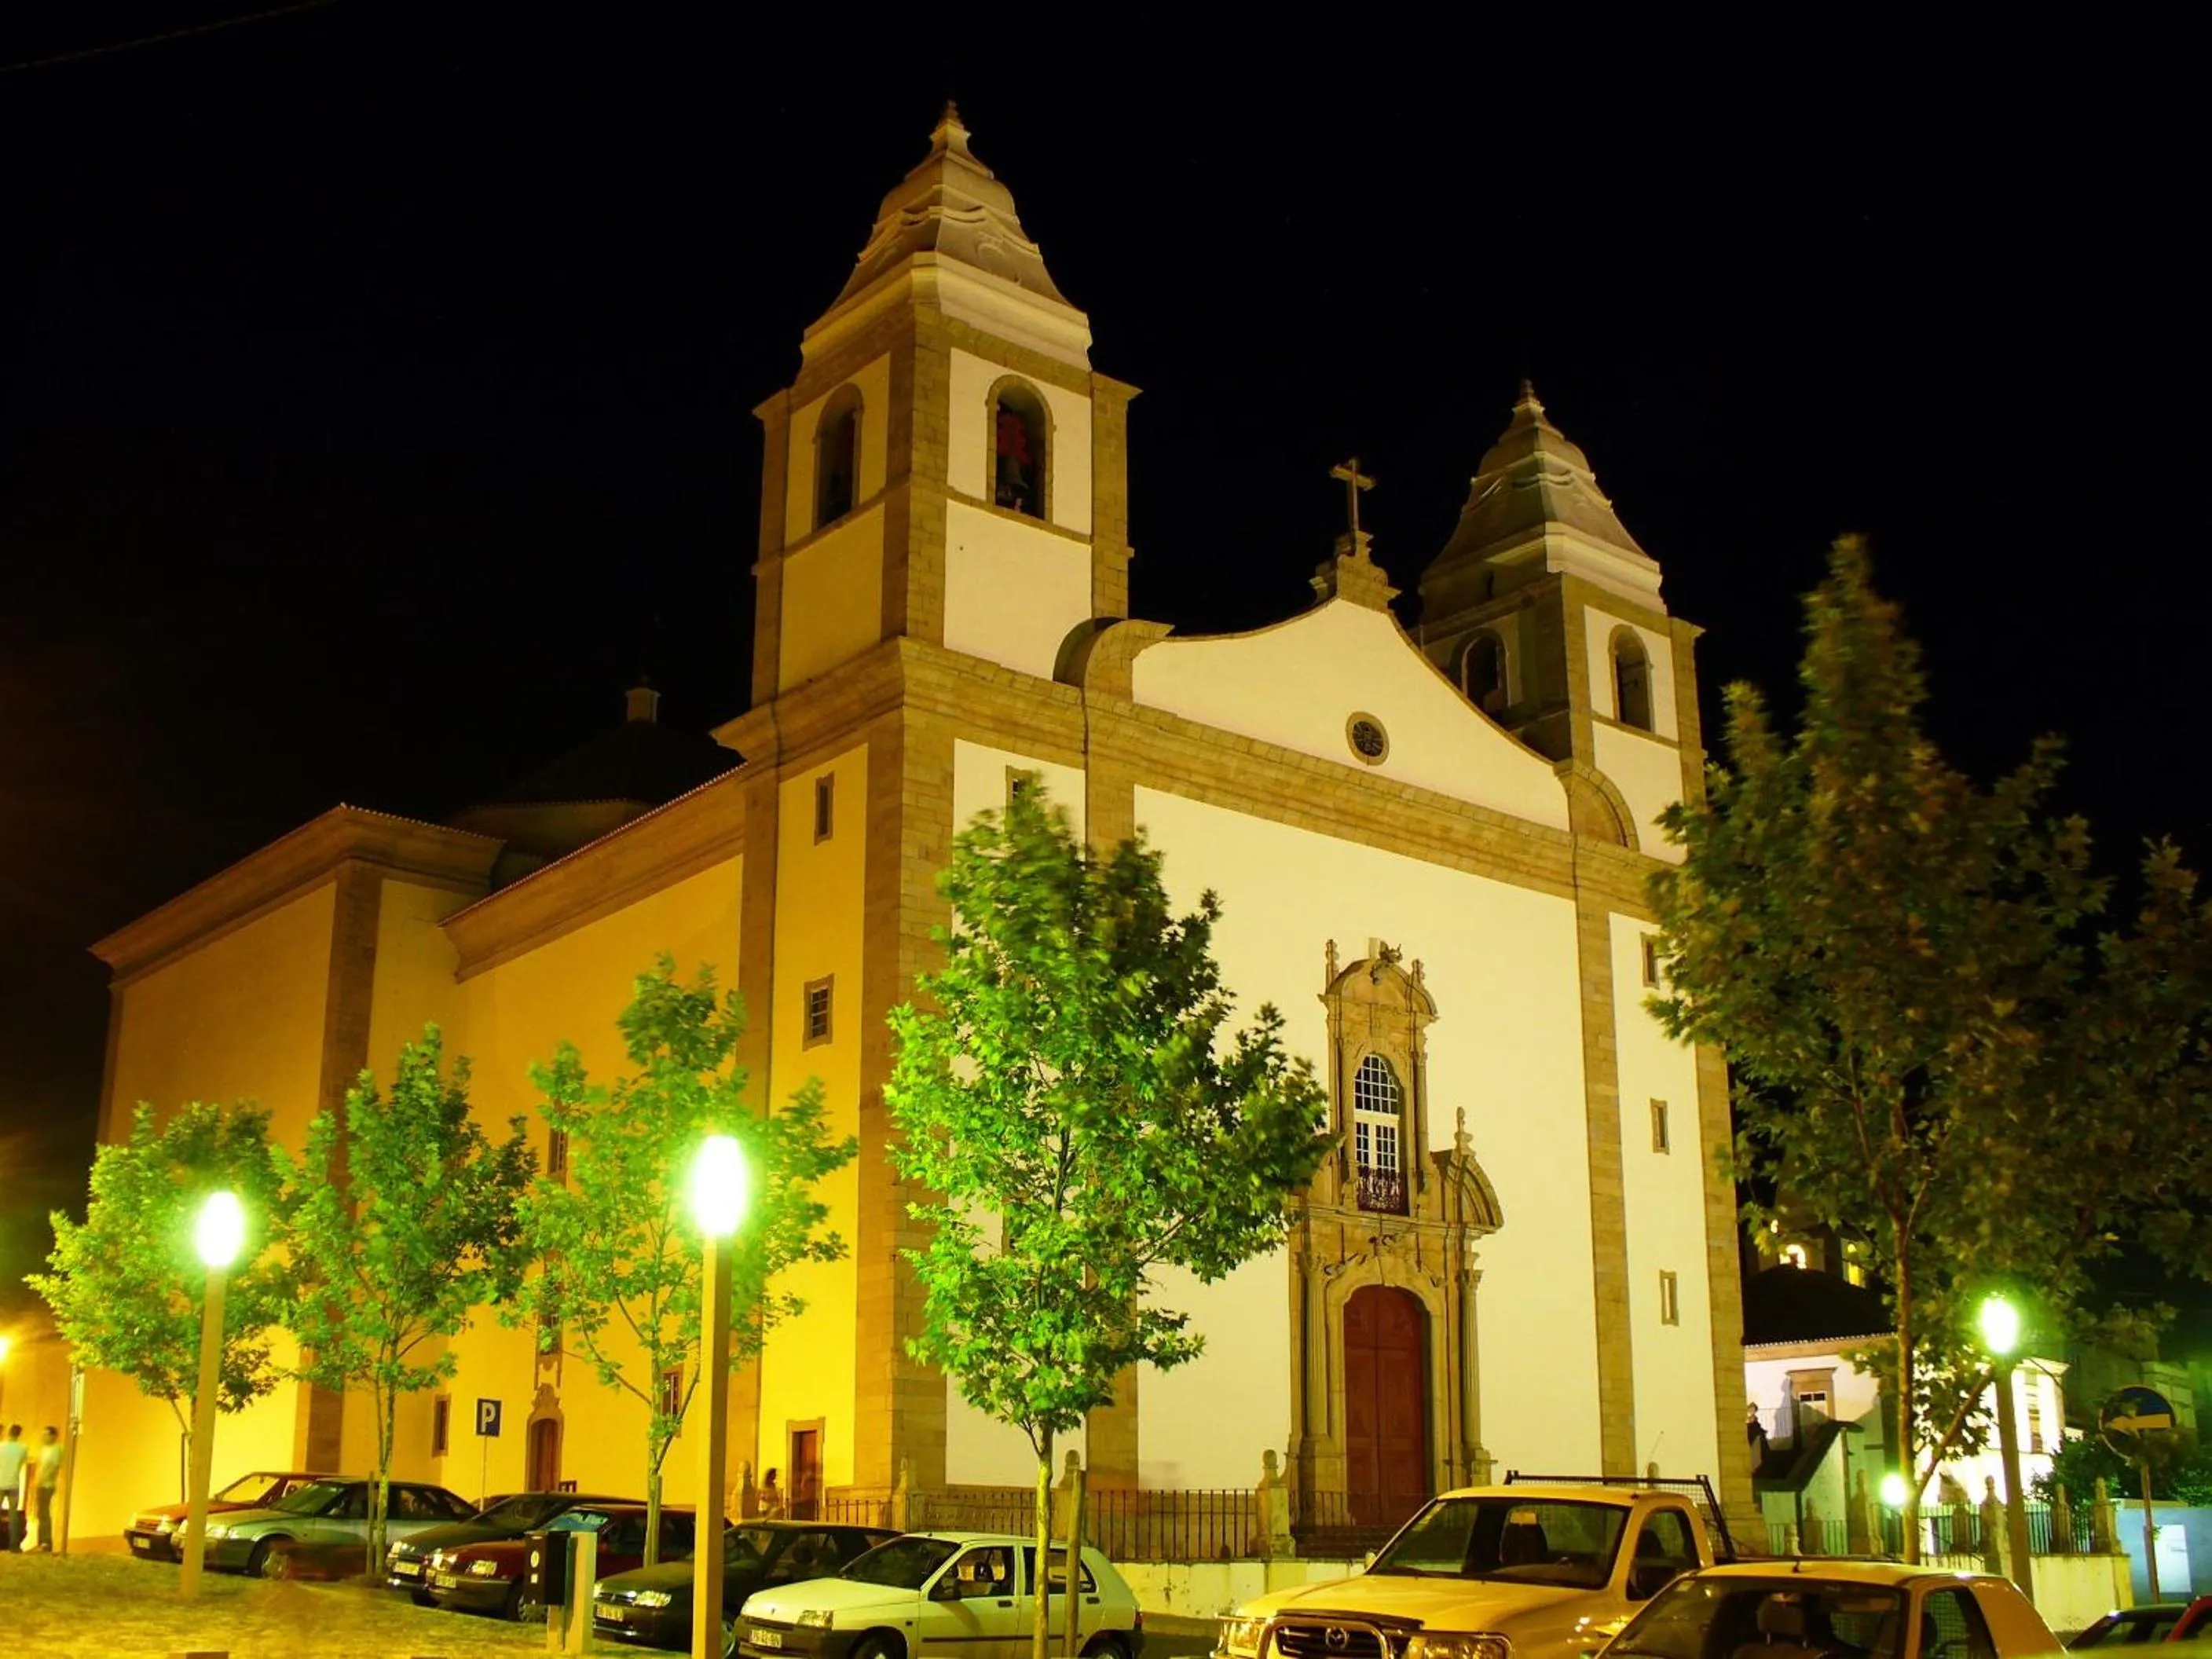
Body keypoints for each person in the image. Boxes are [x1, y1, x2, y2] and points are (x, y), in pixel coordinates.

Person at [34, 1427, 62, 1551]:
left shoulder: (56, 1450)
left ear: (53, 1436)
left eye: (46, 1435)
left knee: (44, 1513)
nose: (43, 1437)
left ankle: (46, 1542)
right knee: (40, 1513)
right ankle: (40, 1541)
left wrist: (43, 1479)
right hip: (41, 1484)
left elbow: (53, 1467)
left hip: (47, 1485)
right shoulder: (44, 1449)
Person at [0, 1425, 27, 1551]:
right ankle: (14, 1545)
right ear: (19, 1434)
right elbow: (22, 1462)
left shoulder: (1, 1446)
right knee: (13, 1515)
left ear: (9, 1433)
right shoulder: (23, 1448)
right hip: (14, 1484)